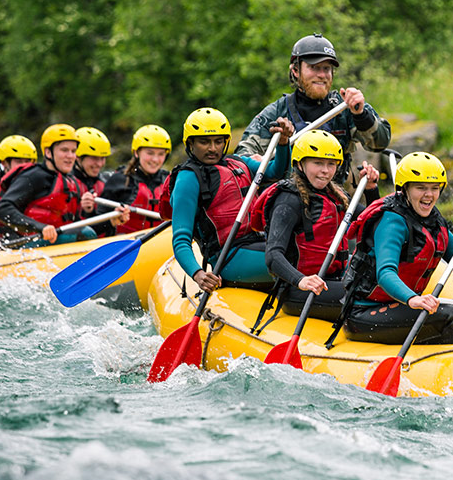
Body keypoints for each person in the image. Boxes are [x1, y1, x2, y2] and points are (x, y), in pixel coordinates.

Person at [333, 152, 453, 346]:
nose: (429, 195)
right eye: (421, 188)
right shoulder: (392, 221)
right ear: (405, 188)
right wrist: (412, 299)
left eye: (435, 188)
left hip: (402, 308)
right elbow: (385, 273)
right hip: (364, 313)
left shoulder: (433, 220)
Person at [250, 130, 380, 322]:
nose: (325, 171)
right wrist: (301, 280)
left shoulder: (335, 196)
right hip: (300, 290)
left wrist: (371, 189)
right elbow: (273, 256)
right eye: (317, 163)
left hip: (333, 279)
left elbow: (372, 223)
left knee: (380, 286)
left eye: (330, 164)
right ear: (300, 164)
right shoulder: (288, 200)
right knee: (369, 293)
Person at [166, 107, 293, 293]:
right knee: (298, 259)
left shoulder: (238, 163)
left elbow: (276, 172)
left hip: (261, 241)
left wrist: (283, 143)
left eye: (218, 142)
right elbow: (180, 239)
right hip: (229, 257)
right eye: (204, 142)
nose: (212, 148)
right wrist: (198, 274)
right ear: (190, 144)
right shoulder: (188, 179)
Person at [235, 33, 391, 183]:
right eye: (314, 67)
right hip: (288, 199)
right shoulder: (276, 112)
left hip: (336, 200)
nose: (322, 75)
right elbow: (240, 157)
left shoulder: (345, 108)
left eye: (326, 68)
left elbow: (380, 143)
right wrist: (257, 162)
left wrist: (361, 115)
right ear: (295, 71)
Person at [0, 124, 126, 245]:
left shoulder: (70, 181)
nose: (70, 156)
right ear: (48, 152)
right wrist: (40, 227)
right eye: (64, 150)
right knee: (85, 233)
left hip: (58, 243)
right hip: (27, 245)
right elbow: (2, 209)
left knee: (86, 232)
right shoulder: (34, 176)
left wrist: (111, 221)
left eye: (73, 151)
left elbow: (77, 225)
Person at [102, 125, 171, 235]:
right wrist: (112, 220)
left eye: (161, 154)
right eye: (150, 153)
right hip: (128, 245)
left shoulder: (170, 181)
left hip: (162, 245)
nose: (155, 159)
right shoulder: (120, 180)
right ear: (136, 152)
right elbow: (98, 224)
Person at [72, 126, 115, 237]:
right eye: (94, 158)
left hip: (102, 243)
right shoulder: (65, 182)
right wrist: (86, 211)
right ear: (78, 157)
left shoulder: (107, 182)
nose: (100, 164)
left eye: (102, 158)